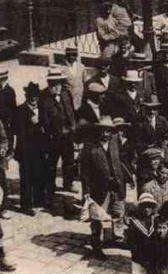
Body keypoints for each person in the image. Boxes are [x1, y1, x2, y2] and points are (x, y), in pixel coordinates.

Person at [80, 116, 126, 259]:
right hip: (99, 188)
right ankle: (96, 246)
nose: (105, 134)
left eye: (108, 131)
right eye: (103, 131)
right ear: (97, 131)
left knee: (118, 213)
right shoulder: (89, 147)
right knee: (98, 217)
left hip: (117, 185)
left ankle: (112, 238)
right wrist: (86, 191)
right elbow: (84, 172)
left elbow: (121, 160)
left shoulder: (114, 141)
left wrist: (126, 177)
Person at [39, 67, 77, 199]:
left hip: (68, 134)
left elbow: (71, 112)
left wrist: (73, 128)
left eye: (58, 82)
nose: (56, 86)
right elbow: (42, 119)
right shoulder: (43, 96)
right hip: (52, 136)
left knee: (69, 161)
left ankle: (68, 183)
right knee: (51, 163)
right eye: (53, 83)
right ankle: (50, 186)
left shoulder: (66, 93)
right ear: (49, 83)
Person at [12, 82, 47, 215]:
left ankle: (38, 201)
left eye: (36, 96)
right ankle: (26, 205)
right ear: (27, 96)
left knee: (39, 174)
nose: (34, 98)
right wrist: (33, 125)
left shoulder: (42, 108)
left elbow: (46, 126)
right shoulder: (20, 110)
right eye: (31, 96)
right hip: (25, 150)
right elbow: (17, 130)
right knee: (26, 178)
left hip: (39, 149)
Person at [125, 192, 158, 274]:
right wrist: (142, 259)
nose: (147, 209)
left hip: (153, 260)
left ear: (152, 208)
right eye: (144, 206)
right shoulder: (134, 223)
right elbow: (132, 245)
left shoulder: (155, 221)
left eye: (149, 206)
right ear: (140, 208)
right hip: (139, 260)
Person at [0, 69, 16, 138]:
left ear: (5, 79)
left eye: (1, 79)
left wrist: (9, 121)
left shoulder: (10, 90)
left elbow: (12, 107)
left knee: (7, 139)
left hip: (6, 121)